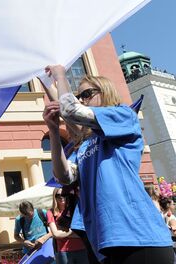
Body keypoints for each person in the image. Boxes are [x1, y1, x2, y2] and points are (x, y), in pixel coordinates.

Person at [44, 65, 173, 263]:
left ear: (106, 93)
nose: (81, 100)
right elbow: (64, 176)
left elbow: (70, 110)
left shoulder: (124, 116)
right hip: (102, 241)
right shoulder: (86, 144)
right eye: (79, 96)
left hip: (140, 238)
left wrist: (60, 75)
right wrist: (53, 131)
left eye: (86, 94)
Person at [47, 188, 88, 264]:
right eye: (59, 195)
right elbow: (55, 234)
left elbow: (84, 232)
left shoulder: (76, 209)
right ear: (54, 197)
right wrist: (74, 230)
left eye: (64, 194)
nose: (62, 197)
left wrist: (63, 231)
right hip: (64, 251)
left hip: (82, 248)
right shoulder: (51, 212)